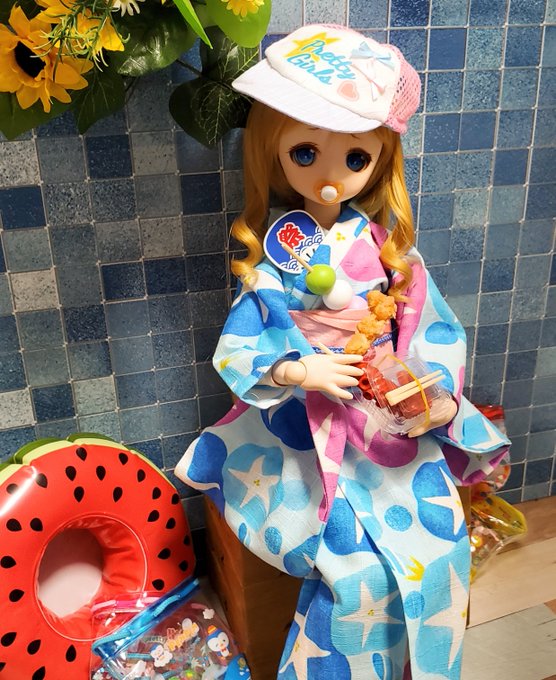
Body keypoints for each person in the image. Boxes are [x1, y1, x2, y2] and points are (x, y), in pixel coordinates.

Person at [176, 24, 510, 680]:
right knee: (355, 574)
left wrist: (435, 394)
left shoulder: (386, 252)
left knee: (441, 547)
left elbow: (431, 328)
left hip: (389, 416)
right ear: (272, 153)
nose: (330, 176)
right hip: (308, 429)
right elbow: (241, 345)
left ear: (378, 162)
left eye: (355, 158)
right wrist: (298, 368)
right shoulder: (277, 257)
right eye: (305, 152)